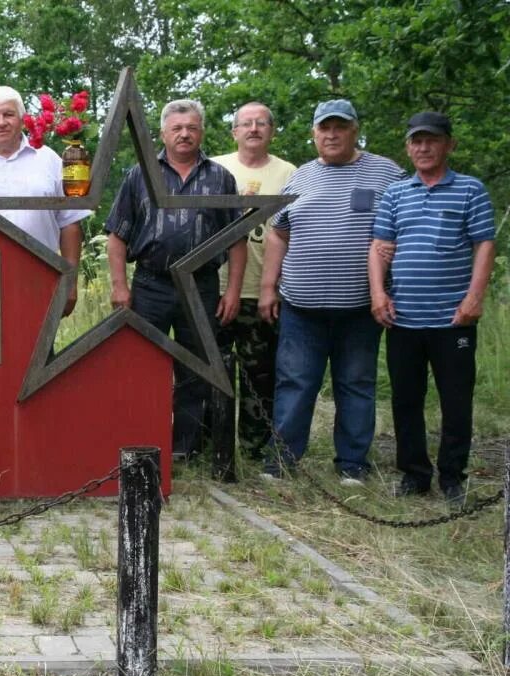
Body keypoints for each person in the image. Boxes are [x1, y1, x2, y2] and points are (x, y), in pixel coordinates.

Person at [258, 99, 404, 484]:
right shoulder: (300, 177)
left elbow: (406, 224)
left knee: (356, 384)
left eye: (340, 127)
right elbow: (278, 233)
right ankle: (282, 462)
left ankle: (352, 464)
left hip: (360, 306)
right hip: (299, 305)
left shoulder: (387, 173)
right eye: (325, 128)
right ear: (314, 135)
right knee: (294, 383)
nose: (332, 134)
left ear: (355, 130)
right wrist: (268, 288)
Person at [105, 98, 246, 460]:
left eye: (192, 128)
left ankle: (185, 449)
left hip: (201, 287)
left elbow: (237, 239)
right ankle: (140, 443)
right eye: (177, 128)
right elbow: (117, 235)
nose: (185, 134)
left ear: (201, 132)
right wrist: (119, 285)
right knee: (141, 364)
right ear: (163, 133)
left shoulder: (220, 178)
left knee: (194, 369)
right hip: (150, 285)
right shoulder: (139, 175)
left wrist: (232, 290)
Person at [368, 112, 496, 507]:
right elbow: (378, 247)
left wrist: (474, 297)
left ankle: (453, 477)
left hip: (452, 319)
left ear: (448, 145)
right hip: (403, 317)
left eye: (432, 140)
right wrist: (378, 294)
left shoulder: (470, 190)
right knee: (406, 400)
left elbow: (484, 246)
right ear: (408, 147)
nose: (423, 148)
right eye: (416, 141)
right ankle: (414, 475)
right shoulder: (396, 192)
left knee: (455, 400)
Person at [0, 85, 90, 315]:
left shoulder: (50, 159)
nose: (1, 122)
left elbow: (70, 223)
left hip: (42, 279)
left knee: (43, 351)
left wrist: (70, 282)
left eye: (9, 114)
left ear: (23, 120)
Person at [209, 102, 297, 461]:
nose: (254, 128)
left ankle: (254, 448)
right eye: (246, 123)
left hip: (264, 287)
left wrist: (273, 287)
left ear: (272, 131)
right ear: (234, 132)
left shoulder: (290, 172)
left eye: (262, 122)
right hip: (215, 286)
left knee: (260, 374)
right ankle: (209, 442)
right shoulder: (215, 168)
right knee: (211, 370)